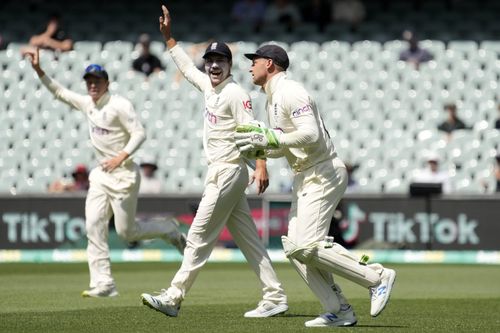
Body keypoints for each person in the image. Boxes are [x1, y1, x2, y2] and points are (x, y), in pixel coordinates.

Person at [140, 5, 288, 318]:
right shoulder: (209, 85)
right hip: (220, 171)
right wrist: (169, 39)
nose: (213, 66)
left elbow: (254, 132)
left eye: (220, 60)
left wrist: (261, 166)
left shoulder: (236, 93)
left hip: (229, 171)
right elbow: (187, 68)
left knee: (197, 235)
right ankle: (275, 296)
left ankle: (174, 296)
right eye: (210, 60)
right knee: (250, 241)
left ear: (230, 65)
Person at [235, 44, 396, 327]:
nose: (250, 66)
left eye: (255, 61)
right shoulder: (272, 98)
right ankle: (339, 310)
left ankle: (376, 277)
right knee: (295, 247)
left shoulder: (290, 91)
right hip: (305, 175)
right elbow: (285, 143)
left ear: (270, 64)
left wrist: (272, 139)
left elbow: (309, 135)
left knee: (308, 244)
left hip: (322, 172)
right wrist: (257, 150)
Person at [22, 48, 186, 297]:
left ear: (107, 83)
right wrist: (38, 70)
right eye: (88, 81)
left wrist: (121, 156)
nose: (92, 85)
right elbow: (60, 92)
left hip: (125, 176)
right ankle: (104, 283)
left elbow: (139, 133)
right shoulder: (88, 104)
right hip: (100, 176)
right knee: (94, 226)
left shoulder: (119, 105)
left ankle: (168, 230)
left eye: (97, 81)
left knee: (126, 233)